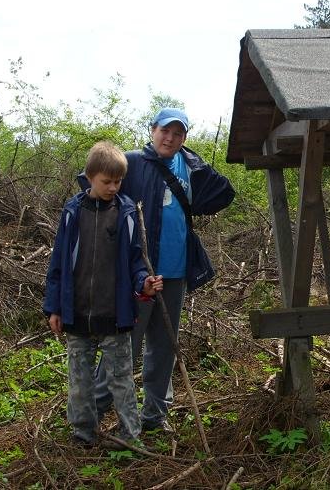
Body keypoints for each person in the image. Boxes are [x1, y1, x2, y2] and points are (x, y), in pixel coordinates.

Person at [86, 107, 235, 433]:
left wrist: (196, 160)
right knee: (122, 348)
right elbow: (93, 191)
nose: (170, 138)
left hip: (175, 274)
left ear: (184, 137)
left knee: (163, 348)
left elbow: (225, 193)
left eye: (178, 133)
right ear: (152, 130)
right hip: (138, 276)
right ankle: (91, 416)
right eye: (165, 131)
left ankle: (154, 417)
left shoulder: (191, 168)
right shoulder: (132, 163)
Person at [44, 141, 163, 447]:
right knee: (80, 382)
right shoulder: (72, 212)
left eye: (118, 181)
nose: (113, 187)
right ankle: (83, 434)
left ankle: (130, 435)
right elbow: (58, 263)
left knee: (121, 380)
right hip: (77, 313)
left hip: (116, 315)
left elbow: (135, 261)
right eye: (106, 181)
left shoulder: (125, 212)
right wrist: (54, 308)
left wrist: (144, 284)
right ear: (90, 177)